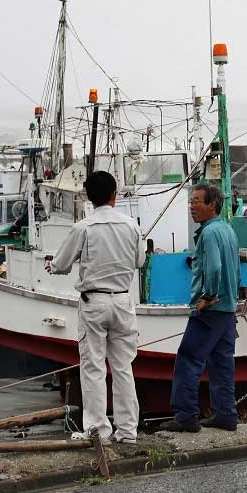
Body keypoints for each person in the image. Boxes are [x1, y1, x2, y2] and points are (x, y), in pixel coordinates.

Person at [47, 170, 145, 443]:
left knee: (93, 368)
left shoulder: (83, 227)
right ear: (115, 195)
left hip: (94, 302)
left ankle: (98, 430)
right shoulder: (132, 226)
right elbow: (139, 261)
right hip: (124, 301)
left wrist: (50, 265)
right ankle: (128, 431)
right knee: (124, 367)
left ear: (88, 197)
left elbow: (61, 264)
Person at [159, 183, 240, 433]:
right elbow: (233, 269)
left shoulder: (208, 233)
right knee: (222, 363)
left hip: (211, 310)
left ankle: (185, 416)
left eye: (197, 201)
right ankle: (226, 414)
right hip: (228, 310)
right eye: (191, 202)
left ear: (212, 205)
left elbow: (213, 268)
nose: (192, 206)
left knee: (188, 358)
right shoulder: (227, 230)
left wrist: (208, 296)